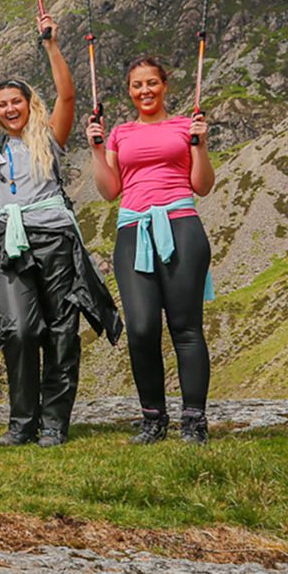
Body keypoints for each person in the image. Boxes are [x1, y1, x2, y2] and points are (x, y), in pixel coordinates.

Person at [0, 15, 122, 448]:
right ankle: (22, 421)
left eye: (15, 101)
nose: (9, 109)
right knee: (20, 329)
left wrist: (52, 46)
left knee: (62, 330)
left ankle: (54, 424)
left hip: (57, 239)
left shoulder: (50, 138)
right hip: (9, 241)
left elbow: (68, 93)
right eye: (1, 104)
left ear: (28, 103)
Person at [87, 57, 215, 444]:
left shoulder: (184, 126)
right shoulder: (119, 134)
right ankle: (153, 420)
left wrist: (202, 145)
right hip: (133, 229)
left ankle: (193, 422)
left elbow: (202, 184)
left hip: (181, 224)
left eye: (152, 83)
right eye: (137, 85)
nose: (145, 91)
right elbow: (110, 190)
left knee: (186, 328)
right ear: (129, 90)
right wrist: (95, 150)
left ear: (165, 85)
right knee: (141, 329)